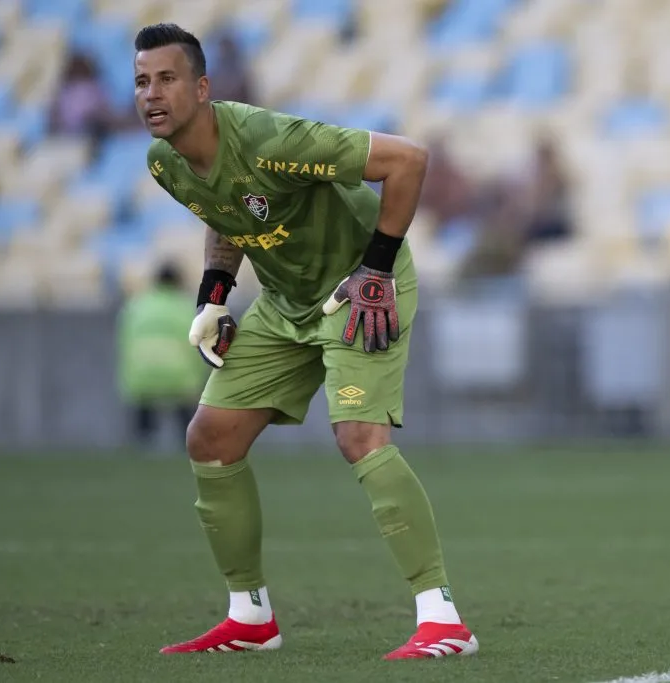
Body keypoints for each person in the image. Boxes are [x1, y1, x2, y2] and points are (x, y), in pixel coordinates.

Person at [132, 23, 478, 659]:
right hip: (286, 299)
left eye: (167, 79)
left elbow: (408, 160)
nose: (151, 94)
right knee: (211, 437)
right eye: (141, 82)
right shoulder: (165, 162)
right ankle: (250, 618)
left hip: (359, 286)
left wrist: (375, 270)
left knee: (359, 436)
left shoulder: (269, 140)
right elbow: (226, 213)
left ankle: (443, 619)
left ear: (203, 88)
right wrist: (214, 294)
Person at [116, 261, 207, 447]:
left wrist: (128, 377)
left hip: (142, 374)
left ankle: (143, 443)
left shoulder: (137, 306)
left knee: (144, 419)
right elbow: (198, 344)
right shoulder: (186, 307)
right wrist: (199, 379)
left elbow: (125, 342)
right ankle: (187, 443)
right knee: (185, 417)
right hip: (179, 376)